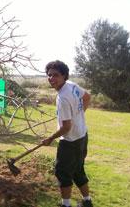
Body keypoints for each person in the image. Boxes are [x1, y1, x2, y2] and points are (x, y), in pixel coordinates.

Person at [41, 60, 93, 207]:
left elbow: (66, 127)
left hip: (70, 141)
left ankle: (66, 204)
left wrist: (50, 138)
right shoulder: (72, 86)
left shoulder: (62, 97)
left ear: (64, 76)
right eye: (49, 75)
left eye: (55, 75)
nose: (51, 78)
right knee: (78, 170)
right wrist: (79, 115)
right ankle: (87, 201)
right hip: (82, 136)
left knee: (62, 173)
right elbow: (87, 97)